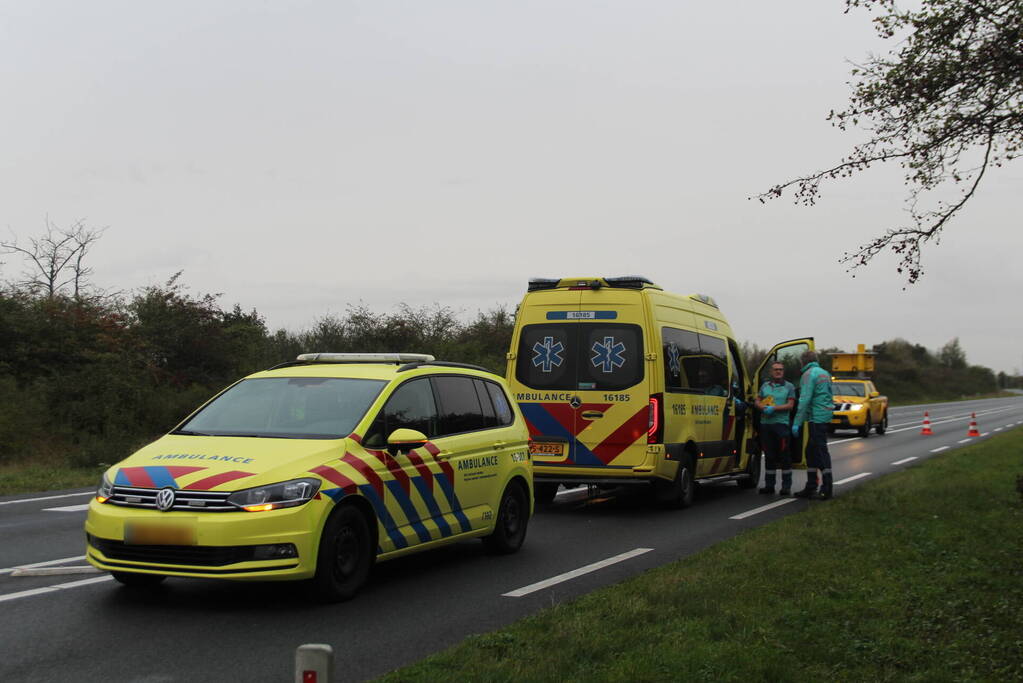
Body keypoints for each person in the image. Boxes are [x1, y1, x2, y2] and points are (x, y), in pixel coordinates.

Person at [791, 350, 835, 499]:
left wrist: (796, 422)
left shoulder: (808, 375)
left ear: (803, 362)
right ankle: (811, 485)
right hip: (824, 416)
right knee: (810, 452)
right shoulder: (824, 373)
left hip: (816, 418)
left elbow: (805, 399)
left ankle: (826, 487)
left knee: (820, 453)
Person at [755, 362, 796, 495]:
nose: (778, 372)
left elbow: (790, 405)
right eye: (775, 370)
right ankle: (769, 485)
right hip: (766, 425)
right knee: (769, 455)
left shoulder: (789, 387)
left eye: (780, 370)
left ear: (783, 372)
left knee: (784, 456)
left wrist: (774, 408)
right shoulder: (765, 386)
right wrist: (761, 407)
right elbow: (757, 400)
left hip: (781, 425)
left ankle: (786, 486)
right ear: (771, 372)